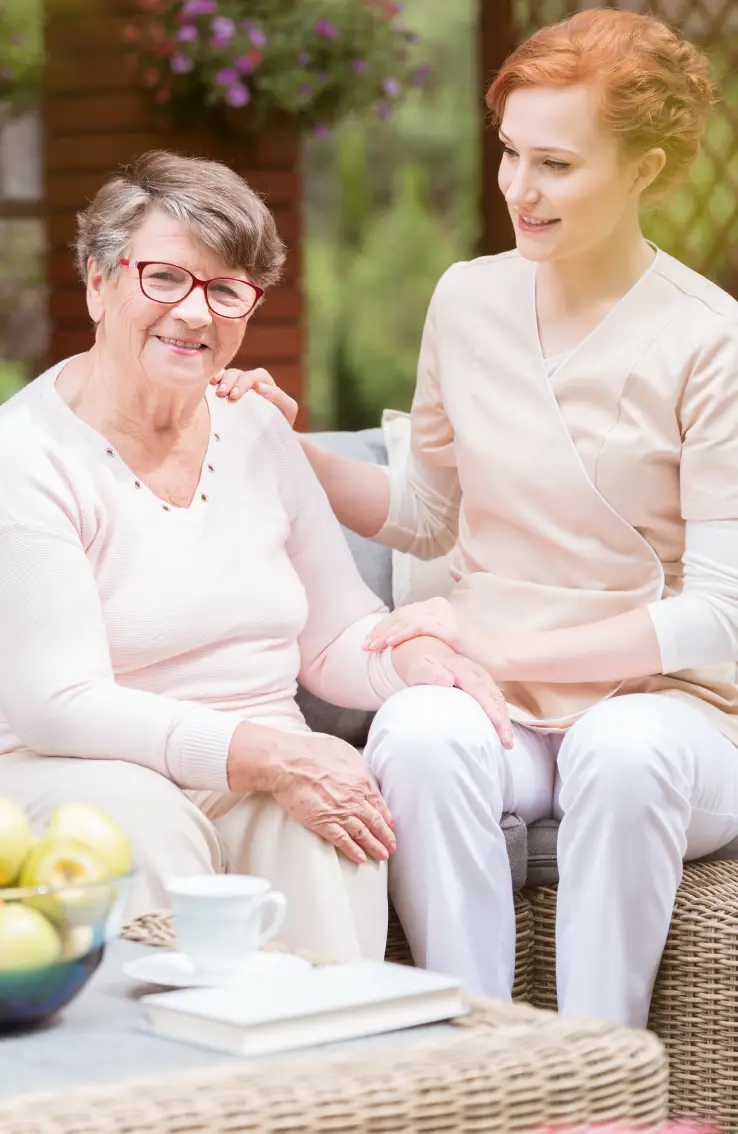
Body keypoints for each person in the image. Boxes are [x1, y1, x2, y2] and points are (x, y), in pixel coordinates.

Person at [213, 9, 738, 1026]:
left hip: (671, 713)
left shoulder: (711, 342)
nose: (518, 189)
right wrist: (287, 445)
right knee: (416, 733)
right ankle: (476, 1049)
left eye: (556, 164)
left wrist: (501, 643)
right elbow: (424, 512)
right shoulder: (467, 299)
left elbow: (720, 616)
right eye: (509, 152)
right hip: (502, 708)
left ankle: (594, 1070)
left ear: (644, 170)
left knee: (622, 751)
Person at [0, 150, 508, 963]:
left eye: (225, 289)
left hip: (258, 759)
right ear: (98, 281)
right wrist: (263, 756)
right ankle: (178, 1050)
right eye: (165, 278)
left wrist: (414, 660)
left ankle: (337, 1041)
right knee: (142, 822)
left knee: (335, 817)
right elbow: (59, 704)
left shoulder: (257, 429)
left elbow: (334, 637)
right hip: (79, 767)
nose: (194, 313)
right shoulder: (28, 456)